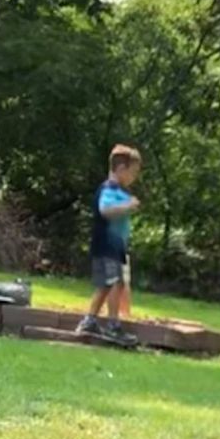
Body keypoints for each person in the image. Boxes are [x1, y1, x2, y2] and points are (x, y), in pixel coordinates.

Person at [78, 144, 141, 344]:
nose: (134, 177)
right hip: (106, 245)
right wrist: (127, 205)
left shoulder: (119, 191)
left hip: (115, 247)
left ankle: (89, 321)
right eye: (133, 172)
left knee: (107, 285)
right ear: (121, 168)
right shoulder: (109, 189)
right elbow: (105, 210)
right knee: (114, 283)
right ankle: (113, 326)